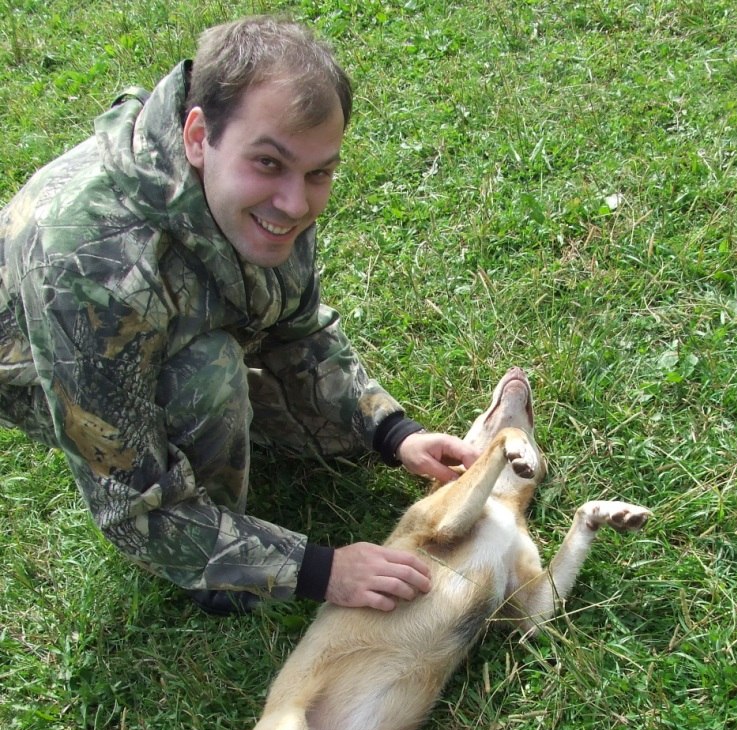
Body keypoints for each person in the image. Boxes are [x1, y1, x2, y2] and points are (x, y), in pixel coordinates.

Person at [0, 15, 476, 616]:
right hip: (48, 368)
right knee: (206, 372)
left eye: (319, 172)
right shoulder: (92, 264)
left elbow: (297, 332)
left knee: (297, 409)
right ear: (199, 136)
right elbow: (133, 509)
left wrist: (393, 433)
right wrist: (319, 570)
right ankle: (219, 578)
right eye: (269, 164)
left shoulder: (262, 198)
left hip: (159, 314)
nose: (295, 204)